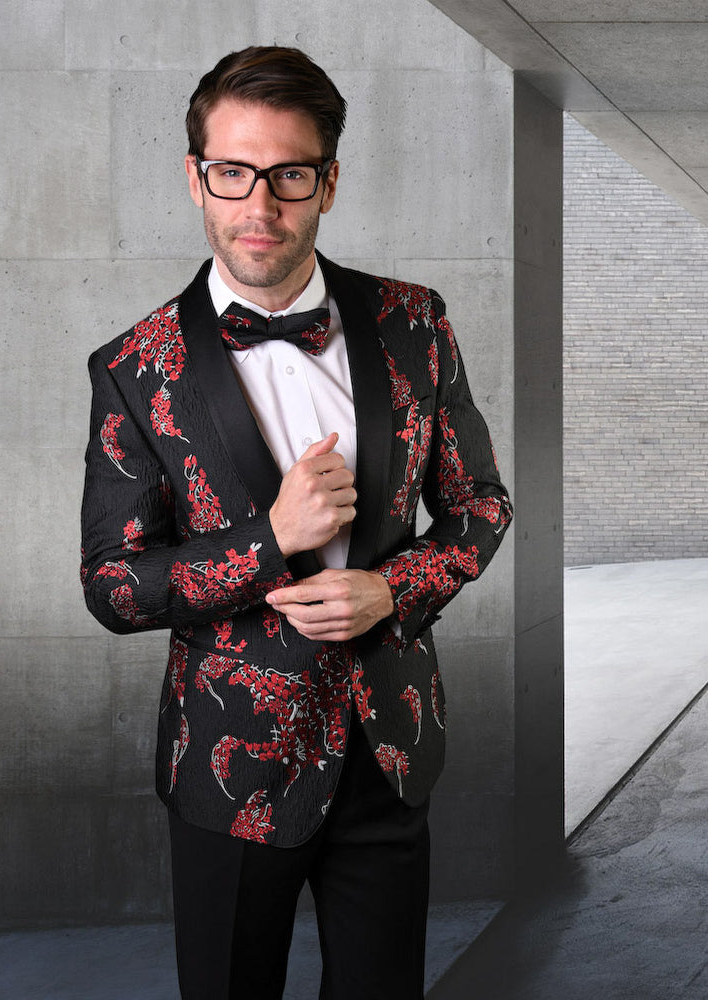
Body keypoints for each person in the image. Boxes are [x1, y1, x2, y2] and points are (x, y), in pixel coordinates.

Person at [80, 45, 512, 1000]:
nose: (259, 205)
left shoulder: (414, 322)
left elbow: (481, 504)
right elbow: (112, 586)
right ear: (195, 177)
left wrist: (390, 588)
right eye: (232, 172)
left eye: (289, 175)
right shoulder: (134, 367)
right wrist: (267, 541)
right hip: (227, 768)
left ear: (329, 181)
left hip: (387, 750)